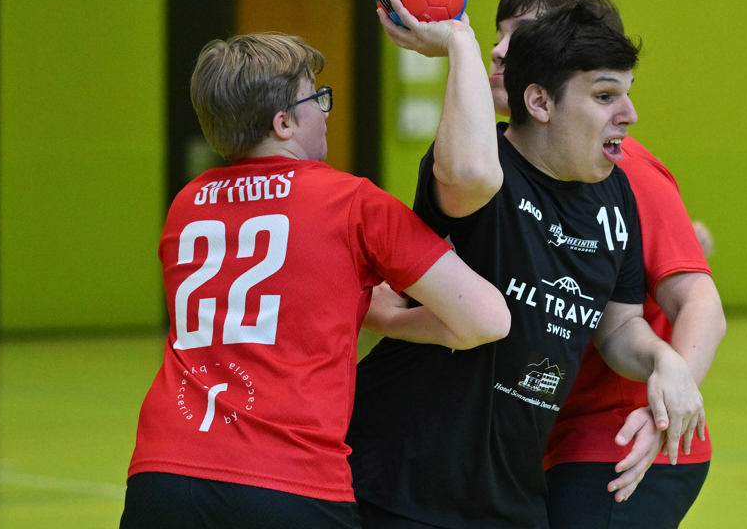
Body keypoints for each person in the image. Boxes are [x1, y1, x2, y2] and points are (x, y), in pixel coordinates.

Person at [119, 32, 511, 529]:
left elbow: (280, 294)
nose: (326, 112)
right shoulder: (350, 203)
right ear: (282, 123)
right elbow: (487, 319)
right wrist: (395, 322)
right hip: (288, 482)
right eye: (316, 99)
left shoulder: (186, 205)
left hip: (163, 476)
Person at [346, 0, 705, 528]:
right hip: (401, 477)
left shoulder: (617, 196)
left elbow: (619, 326)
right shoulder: (484, 170)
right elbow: (468, 169)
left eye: (627, 94)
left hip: (509, 495)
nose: (628, 114)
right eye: (605, 95)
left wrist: (665, 361)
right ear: (538, 101)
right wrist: (458, 43)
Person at [486, 0, 727, 528]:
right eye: (496, 36)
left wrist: (668, 399)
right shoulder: (497, 159)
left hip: (619, 435)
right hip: (542, 437)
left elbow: (698, 298)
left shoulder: (623, 169)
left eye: (520, 36)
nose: (499, 51)